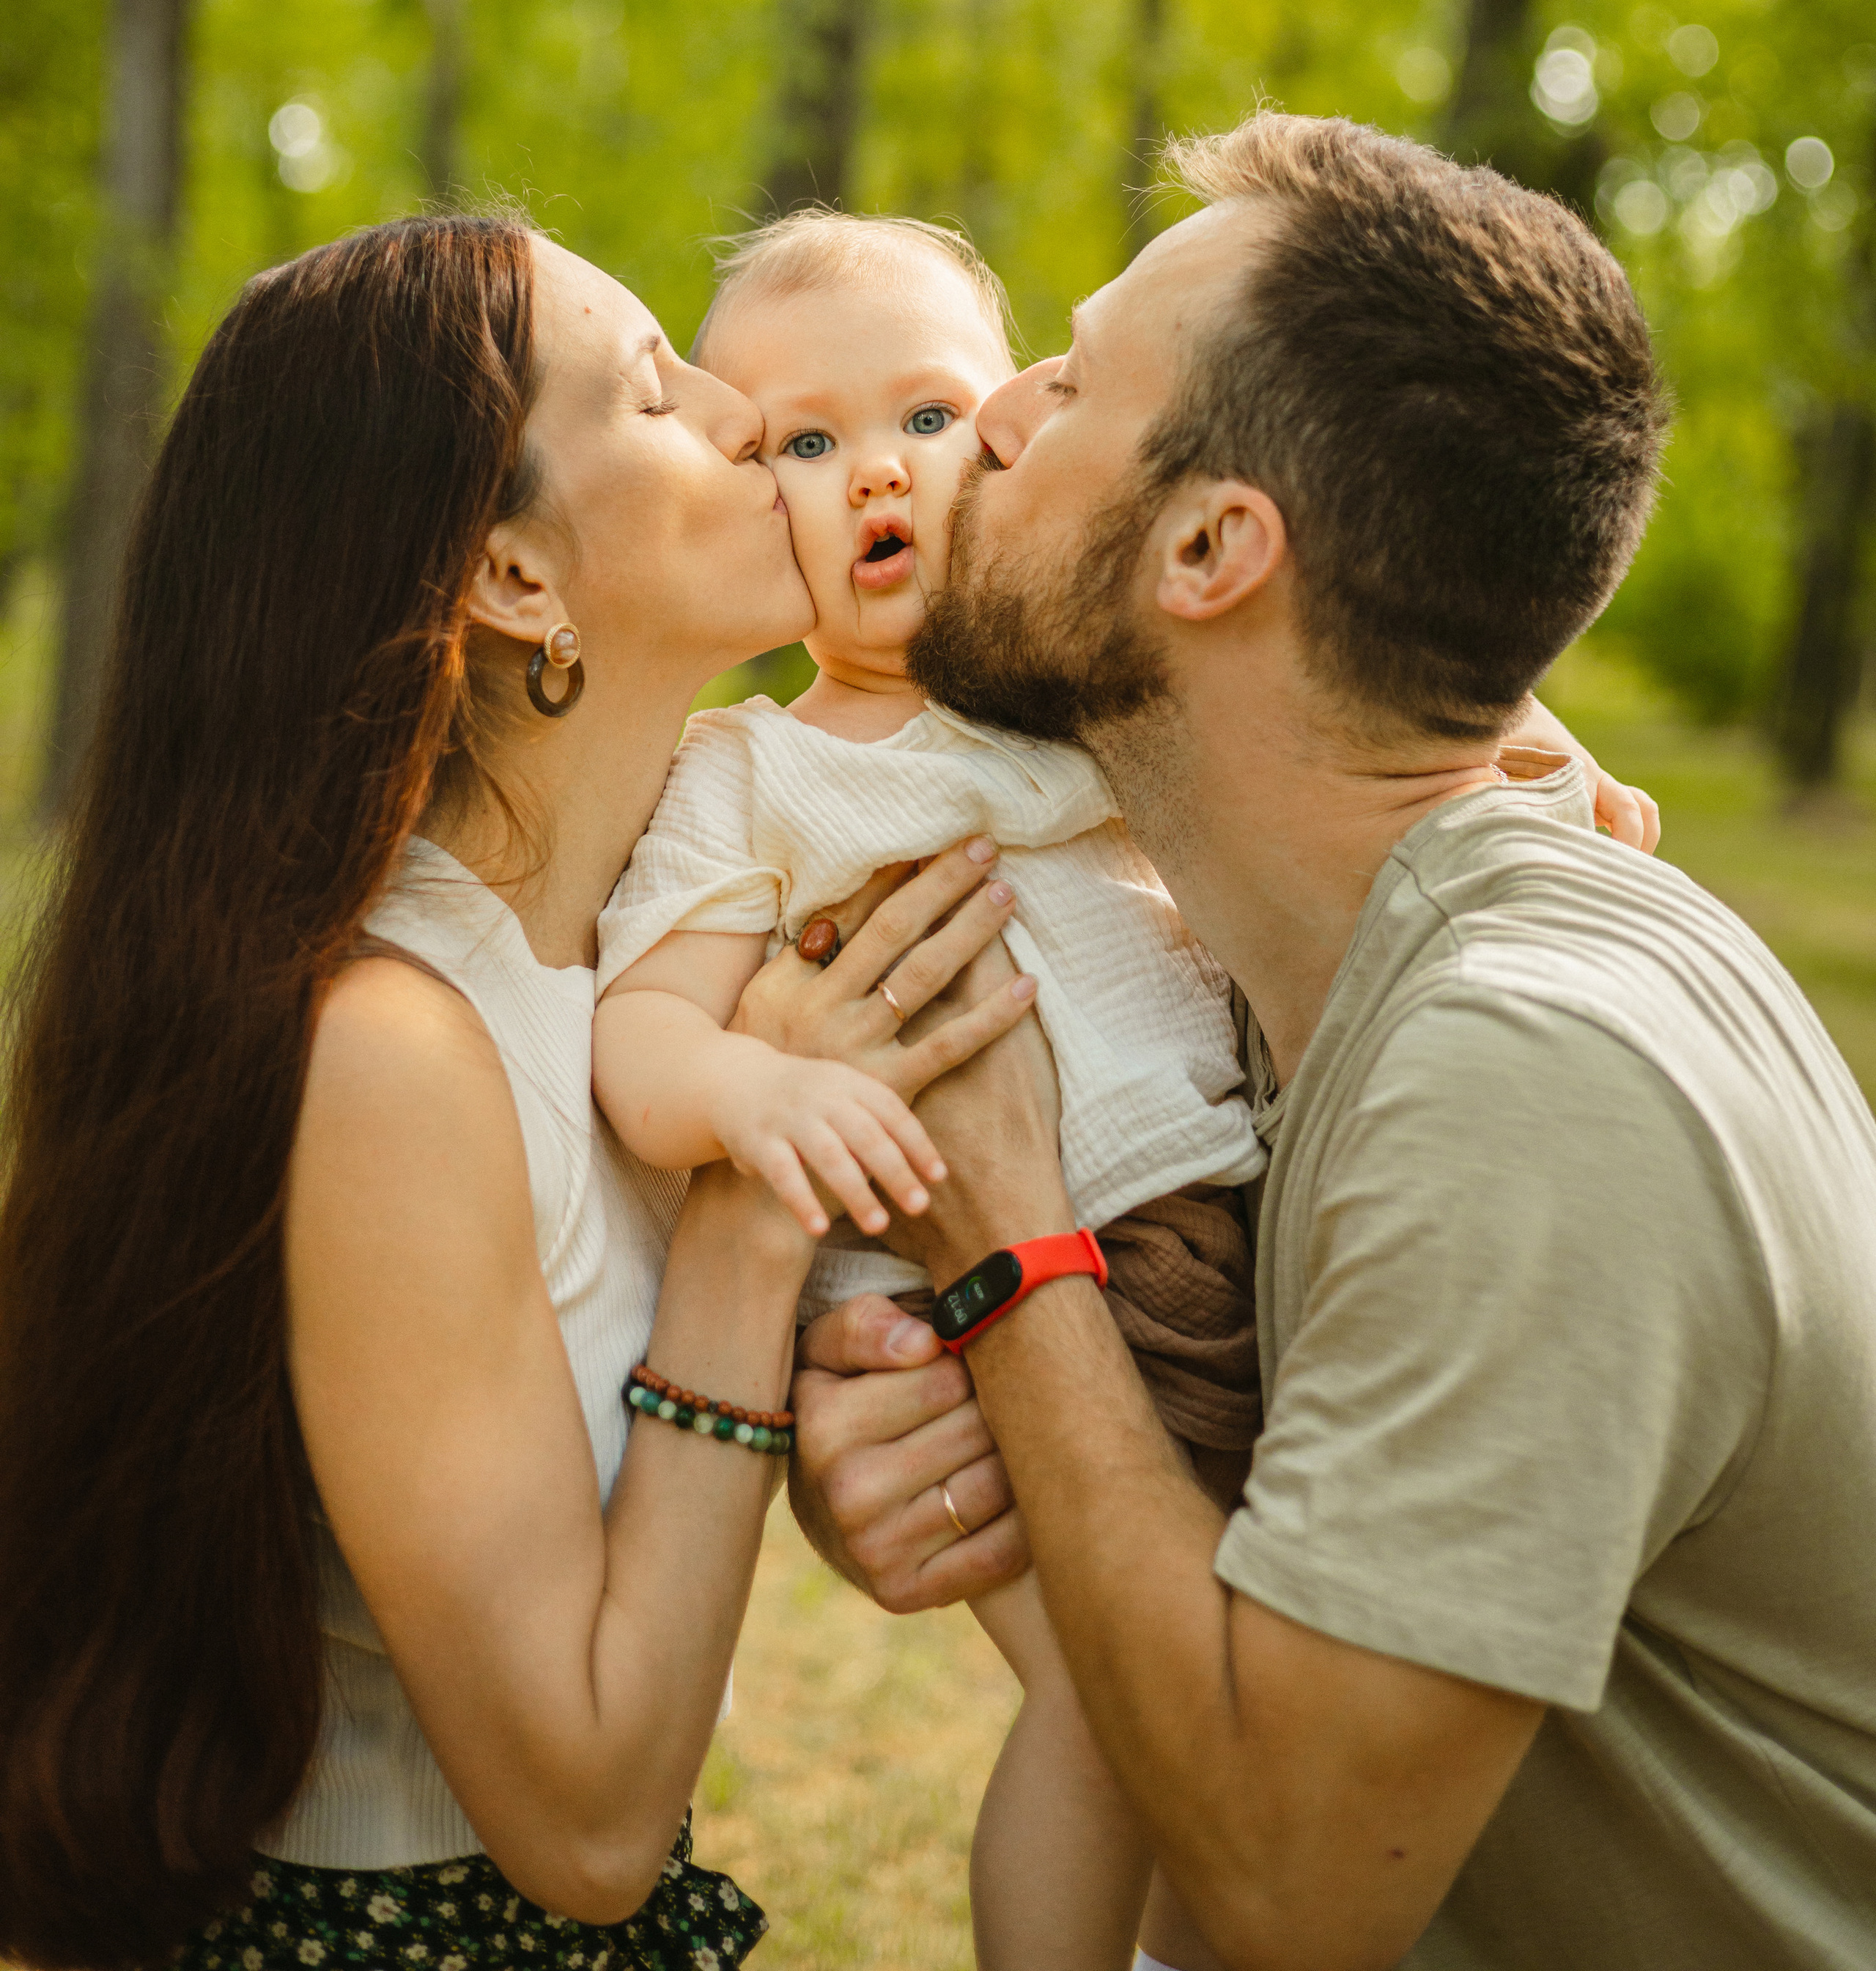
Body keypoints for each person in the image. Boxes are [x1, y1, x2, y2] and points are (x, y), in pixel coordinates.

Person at [789, 114, 1876, 1971]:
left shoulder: (1524, 1080)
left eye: (1068, 386)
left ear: (1212, 545)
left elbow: (1283, 1882)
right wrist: (929, 1421)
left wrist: (1010, 1253)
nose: (989, 416)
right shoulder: (1323, 960)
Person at [0, 213, 1030, 1971]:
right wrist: (747, 1226)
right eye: (656, 390)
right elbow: (587, 1822)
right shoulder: (391, 1055)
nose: (738, 412)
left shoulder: (639, 943)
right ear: (518, 582)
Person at [589, 208, 1264, 1971]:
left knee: (1251, 1698)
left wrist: (1529, 755)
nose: (873, 472)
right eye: (803, 443)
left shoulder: (1070, 689)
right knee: (1105, 1699)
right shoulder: (748, 771)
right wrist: (749, 1095)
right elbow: (640, 1037)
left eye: (925, 416)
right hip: (982, 1320)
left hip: (1232, 1231)